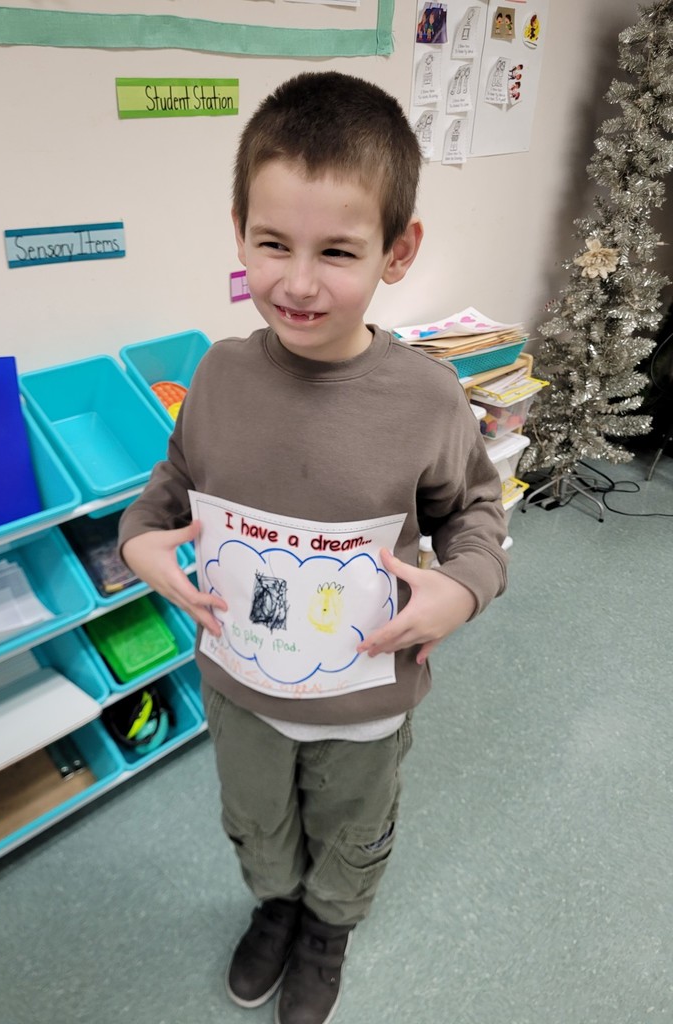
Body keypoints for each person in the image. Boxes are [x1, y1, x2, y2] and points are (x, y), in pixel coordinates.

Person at [118, 71, 508, 1024]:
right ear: (238, 229)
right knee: (256, 818)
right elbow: (167, 491)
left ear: (398, 249)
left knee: (351, 824)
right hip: (241, 686)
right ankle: (276, 904)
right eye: (271, 243)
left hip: (365, 695)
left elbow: (476, 517)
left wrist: (461, 590)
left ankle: (327, 924)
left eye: (337, 250)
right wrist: (140, 548)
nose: (296, 282)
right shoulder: (216, 374)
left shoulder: (424, 399)